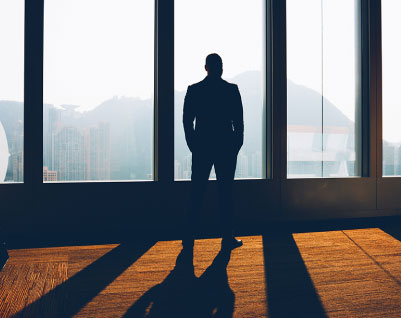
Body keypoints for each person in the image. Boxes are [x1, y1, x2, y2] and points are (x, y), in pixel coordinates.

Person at [183, 53, 244, 250]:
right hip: (226, 147)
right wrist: (236, 144)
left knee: (196, 192)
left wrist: (193, 143)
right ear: (220, 67)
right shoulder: (231, 90)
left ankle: (189, 237)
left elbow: (187, 121)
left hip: (202, 146)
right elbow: (239, 122)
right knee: (226, 193)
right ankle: (227, 237)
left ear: (205, 67)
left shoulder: (194, 90)